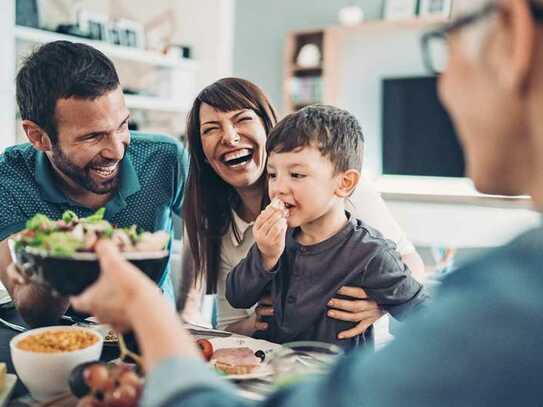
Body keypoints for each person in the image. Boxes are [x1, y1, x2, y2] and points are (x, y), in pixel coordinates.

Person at [72, 0, 543, 405]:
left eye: (445, 40)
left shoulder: (503, 301)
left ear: (514, 36)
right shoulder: (274, 232)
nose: (443, 84)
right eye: (210, 130)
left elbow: (409, 293)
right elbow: (236, 303)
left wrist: (143, 310)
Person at [179, 77, 425, 341]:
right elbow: (235, 303)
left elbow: (414, 291)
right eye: (273, 175)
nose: (230, 136)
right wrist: (264, 258)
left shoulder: (356, 221)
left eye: (242, 119)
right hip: (278, 366)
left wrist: (382, 304)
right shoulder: (274, 238)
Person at [0, 40, 188, 327]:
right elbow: (33, 311)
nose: (117, 150)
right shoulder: (9, 178)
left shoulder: (165, 158)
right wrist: (65, 249)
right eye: (92, 137)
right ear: (38, 136)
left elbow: (211, 233)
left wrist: (192, 306)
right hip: (63, 341)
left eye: (123, 125)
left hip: (153, 333)